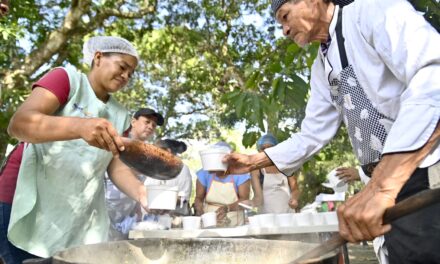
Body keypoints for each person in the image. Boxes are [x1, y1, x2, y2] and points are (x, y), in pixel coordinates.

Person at [224, 0, 440, 263]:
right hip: (387, 183)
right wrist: (253, 161)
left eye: (285, 16)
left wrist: (383, 187)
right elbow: (311, 134)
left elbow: (433, 75)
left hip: (423, 174)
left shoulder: (373, 10)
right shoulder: (321, 65)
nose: (284, 30)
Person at [1, 36, 148, 263]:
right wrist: (79, 126)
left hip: (74, 216)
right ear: (98, 57)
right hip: (24, 200)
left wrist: (141, 192)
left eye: (131, 73)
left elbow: (116, 168)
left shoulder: (121, 115)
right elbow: (19, 125)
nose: (126, 76)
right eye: (122, 67)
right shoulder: (67, 80)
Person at [104, 107, 164, 241]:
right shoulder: (118, 142)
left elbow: (138, 181)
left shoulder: (146, 152)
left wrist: (137, 206)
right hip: (106, 211)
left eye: (153, 125)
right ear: (133, 122)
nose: (150, 126)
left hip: (127, 215)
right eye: (147, 122)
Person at [194, 142, 251, 227]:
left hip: (234, 220)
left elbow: (244, 200)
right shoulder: (204, 172)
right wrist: (199, 211)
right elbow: (199, 198)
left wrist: (227, 208)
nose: (213, 171)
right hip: (210, 221)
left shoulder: (241, 174)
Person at [249, 134, 299, 213]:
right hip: (266, 216)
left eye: (270, 147)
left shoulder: (286, 165)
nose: (266, 150)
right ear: (259, 151)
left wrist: (294, 198)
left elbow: (294, 188)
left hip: (287, 213)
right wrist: (248, 203)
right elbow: (258, 199)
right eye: (263, 148)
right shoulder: (256, 170)